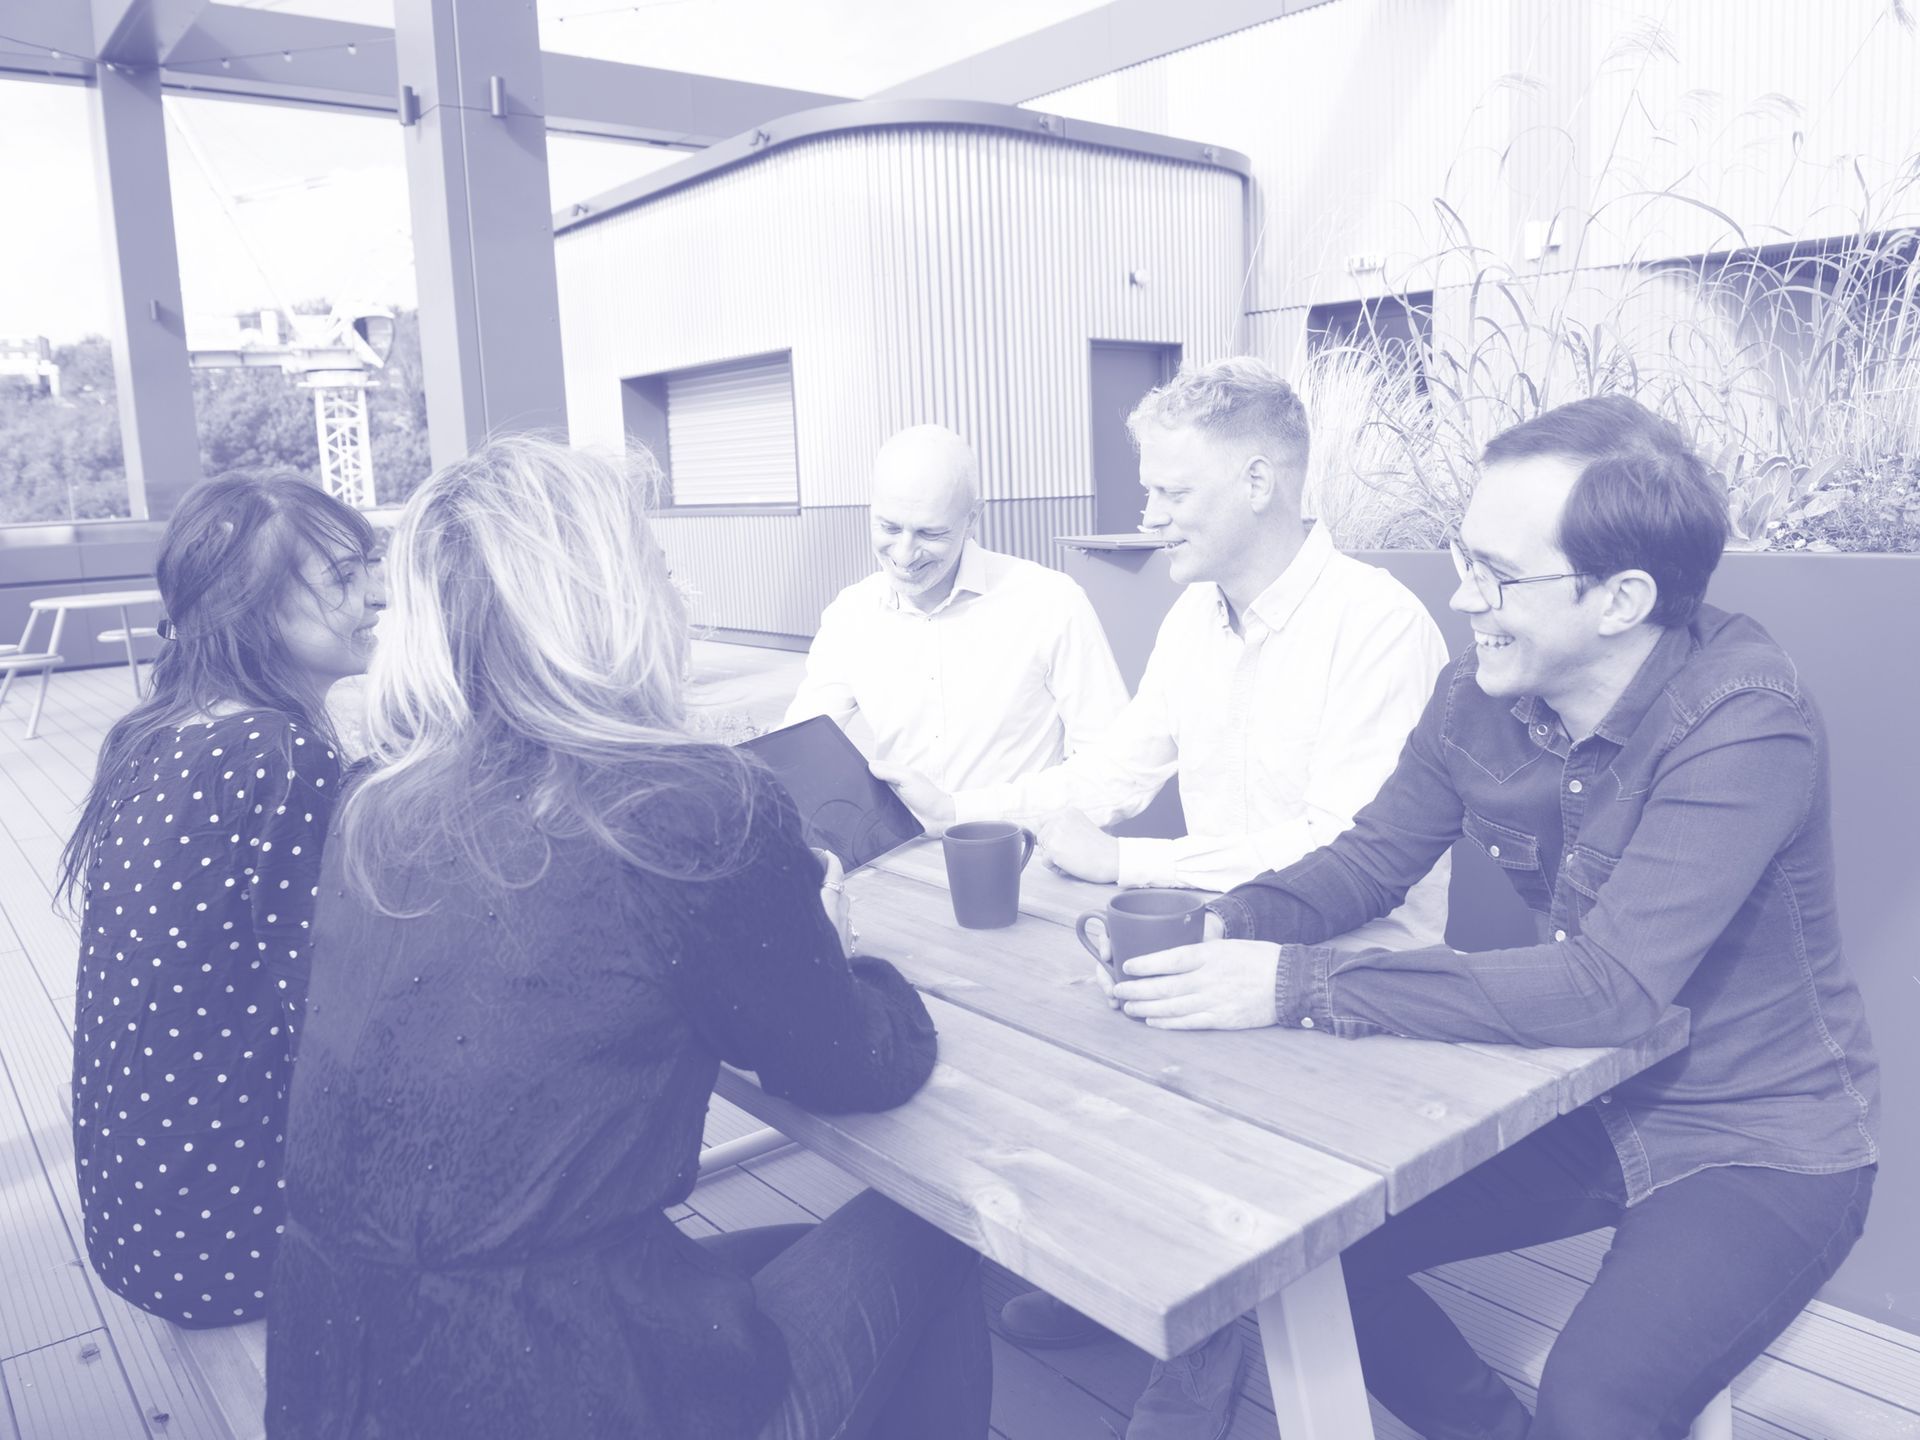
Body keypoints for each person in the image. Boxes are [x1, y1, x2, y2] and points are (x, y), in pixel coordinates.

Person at [1109, 396, 1880, 1440]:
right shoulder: (1472, 694)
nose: (1462, 595)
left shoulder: (1746, 721)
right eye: (1462, 557)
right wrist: (1231, 923)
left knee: (1595, 1402)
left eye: (1496, 574)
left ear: (1621, 599)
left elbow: (1609, 989)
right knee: (1310, 1258)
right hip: (1575, 1099)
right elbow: (1370, 860)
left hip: (1758, 1135)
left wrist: (1294, 984)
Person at [267, 436, 991, 1440]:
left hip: (340, 1382)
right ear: (610, 600)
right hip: (555, 1390)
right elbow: (851, 1066)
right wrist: (852, 964)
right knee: (940, 1231)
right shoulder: (688, 807)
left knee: (779, 1249)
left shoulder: (373, 803)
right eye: (656, 563)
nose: (677, 589)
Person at [876, 358, 1453, 1412]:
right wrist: (965, 807)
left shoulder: (1379, 627)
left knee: (1189, 1131)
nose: (1148, 514)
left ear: (1260, 482)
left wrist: (1131, 862)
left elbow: (1343, 851)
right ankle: (1129, 1291)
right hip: (1230, 939)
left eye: (1171, 491)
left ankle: (1201, 1352)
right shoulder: (1196, 617)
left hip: (1357, 971)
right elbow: (1113, 773)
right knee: (1057, 1049)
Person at [62, 471, 384, 1328]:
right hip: (246, 1245)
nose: (377, 595)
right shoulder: (278, 758)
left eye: (370, 567)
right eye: (343, 576)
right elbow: (337, 1010)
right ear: (254, 604)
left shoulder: (154, 731)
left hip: (146, 1216)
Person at [785, 422, 1127, 795]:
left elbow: (1110, 765)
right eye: (889, 528)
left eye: (930, 533)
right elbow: (798, 750)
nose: (904, 554)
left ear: (972, 518)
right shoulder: (851, 614)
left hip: (1020, 832)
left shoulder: (1050, 602)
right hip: (903, 834)